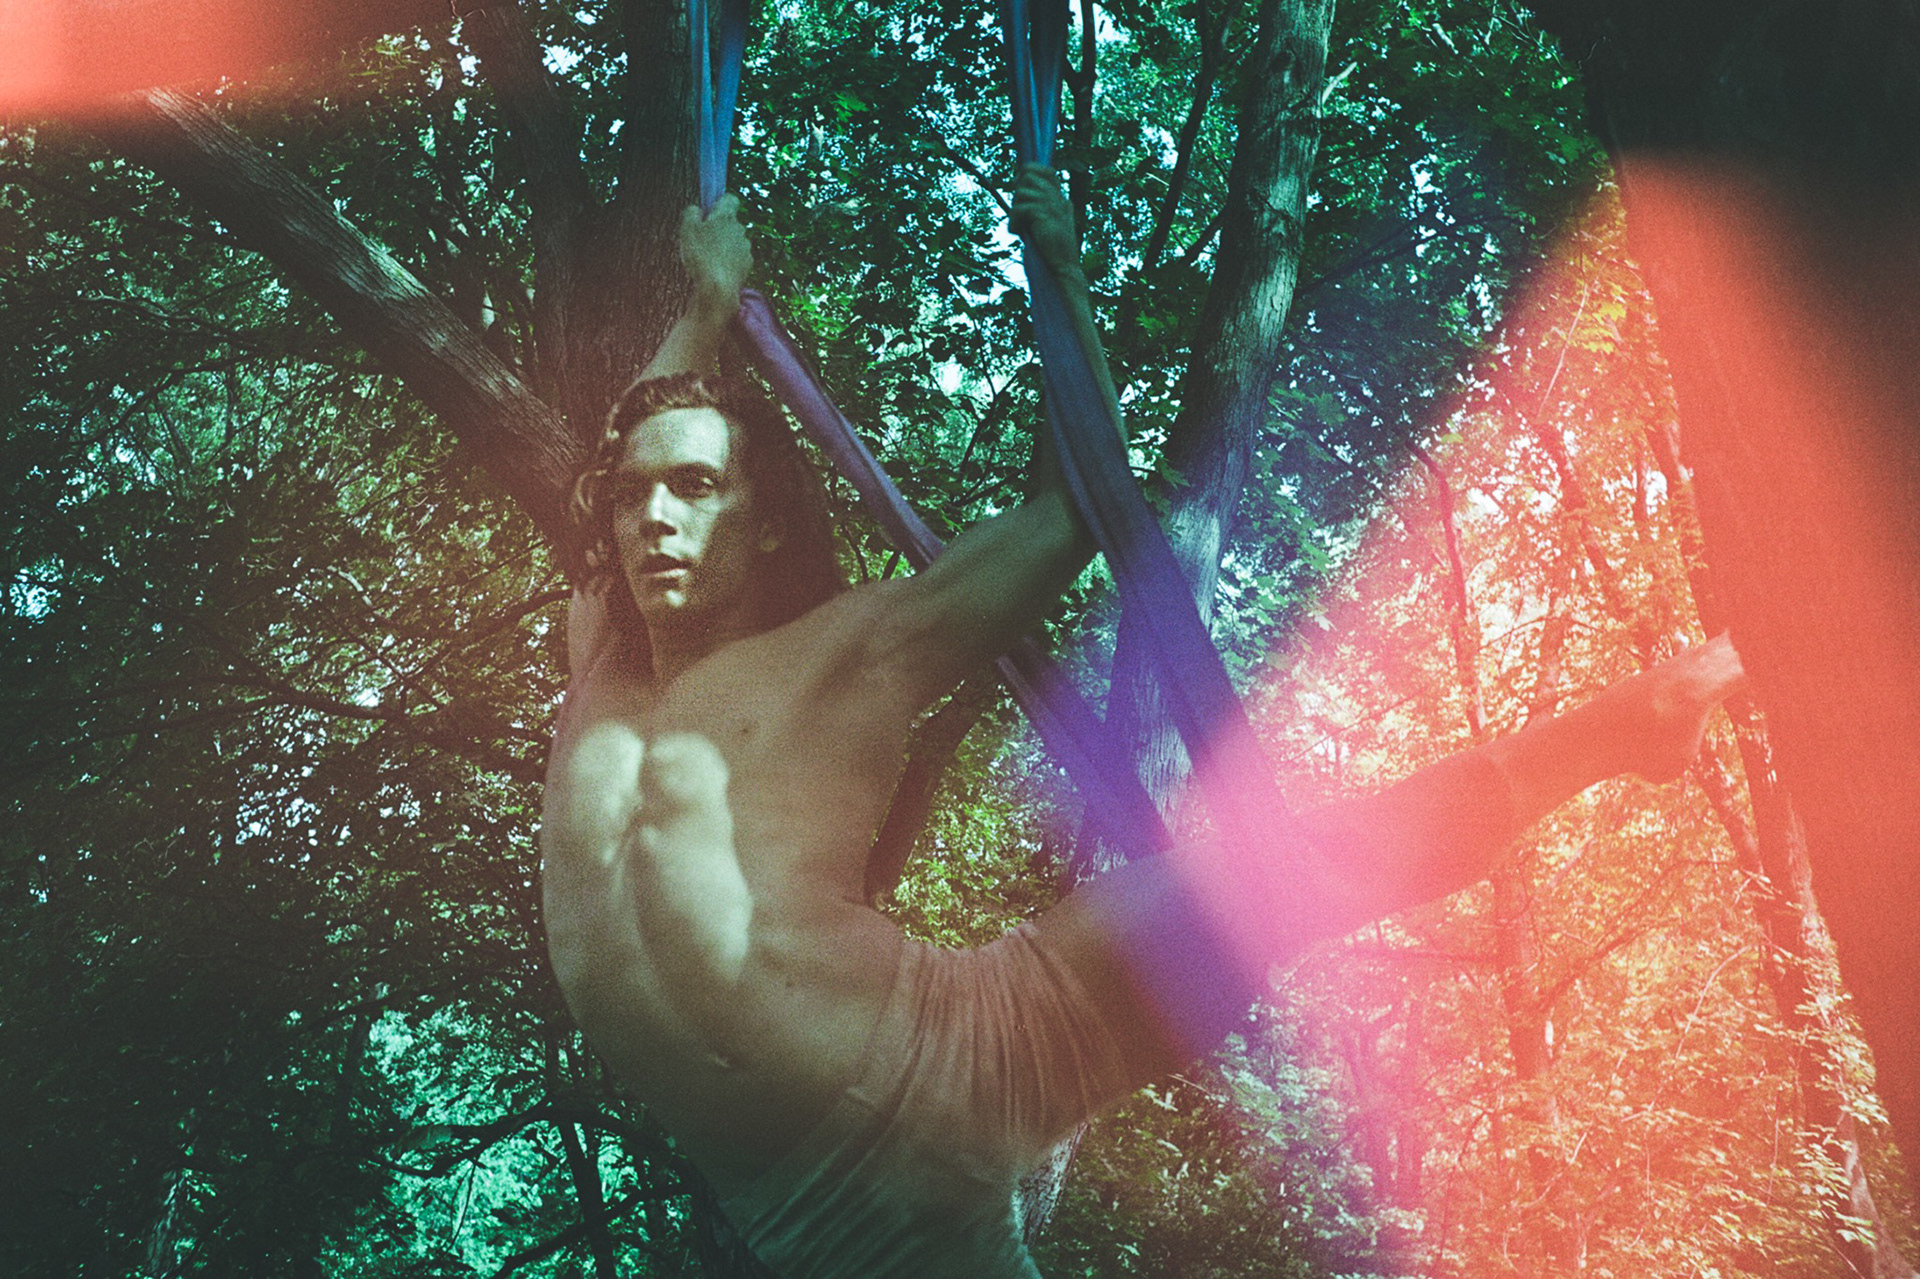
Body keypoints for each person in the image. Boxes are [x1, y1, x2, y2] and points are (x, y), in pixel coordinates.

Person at [539, 167, 1747, 1278]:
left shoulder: (849, 648)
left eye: (695, 486)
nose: (654, 516)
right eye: (638, 493)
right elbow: (612, 459)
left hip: (973, 1045)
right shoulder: (599, 672)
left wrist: (1060, 277)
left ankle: (1629, 724)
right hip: (822, 1228)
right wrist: (705, 310)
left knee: (1286, 873)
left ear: (761, 522)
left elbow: (1078, 511)